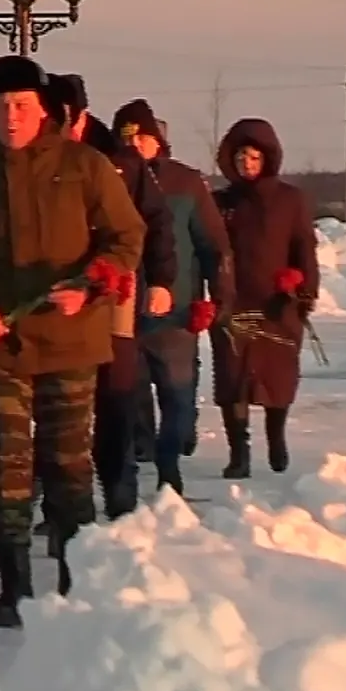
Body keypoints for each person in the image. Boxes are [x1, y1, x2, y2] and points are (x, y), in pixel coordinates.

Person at [0, 55, 146, 629]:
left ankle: (75, 581)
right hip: (2, 345)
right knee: (9, 463)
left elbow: (126, 237)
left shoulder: (84, 166)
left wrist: (92, 286)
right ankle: (13, 585)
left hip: (71, 340)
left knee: (69, 465)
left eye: (21, 106)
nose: (11, 117)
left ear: (43, 110)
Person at [46, 74, 176, 520]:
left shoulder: (122, 161)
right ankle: (62, 498)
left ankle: (120, 490)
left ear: (78, 116)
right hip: (58, 292)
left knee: (116, 392)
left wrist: (161, 280)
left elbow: (156, 224)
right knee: (59, 397)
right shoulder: (34, 160)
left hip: (114, 289)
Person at [113, 100, 234, 494]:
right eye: (128, 137)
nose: (136, 145)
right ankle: (132, 470)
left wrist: (217, 299)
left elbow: (212, 245)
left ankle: (169, 464)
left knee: (177, 395)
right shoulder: (110, 180)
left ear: (158, 140)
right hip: (122, 310)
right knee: (126, 397)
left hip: (177, 310)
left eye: (142, 137)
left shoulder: (185, 183)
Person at [210, 117, 320, 478]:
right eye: (241, 157)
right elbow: (206, 248)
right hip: (234, 301)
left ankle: (276, 437)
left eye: (254, 157)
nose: (247, 164)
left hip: (278, 303)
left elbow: (304, 246)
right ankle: (238, 453)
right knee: (233, 377)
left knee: (277, 376)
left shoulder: (290, 200)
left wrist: (302, 285)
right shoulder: (222, 202)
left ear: (268, 159)